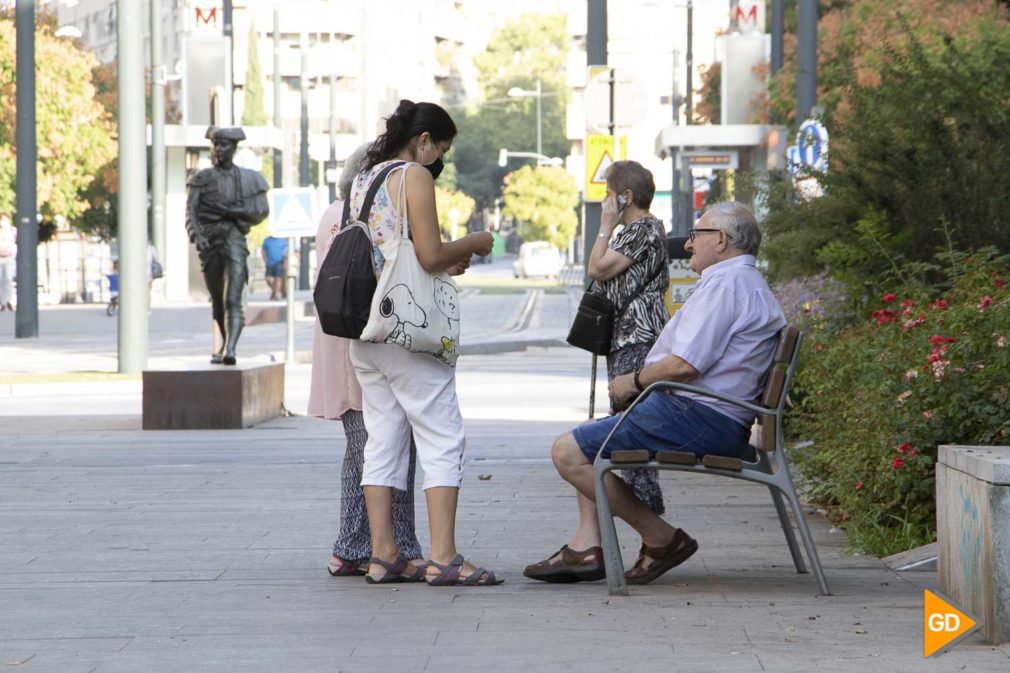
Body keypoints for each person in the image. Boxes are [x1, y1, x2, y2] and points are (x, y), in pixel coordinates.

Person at [525, 201, 786, 585]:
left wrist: (633, 381)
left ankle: (660, 537)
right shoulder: (741, 281)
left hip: (700, 416)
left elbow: (685, 364)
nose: (688, 245)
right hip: (703, 412)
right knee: (588, 439)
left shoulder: (728, 285)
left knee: (568, 452)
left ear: (721, 239)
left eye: (696, 235)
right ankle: (588, 545)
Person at [350, 100, 499, 585]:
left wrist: (440, 257)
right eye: (441, 150)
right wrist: (474, 242)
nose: (439, 162)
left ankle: (383, 554)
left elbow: (395, 250)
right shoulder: (413, 175)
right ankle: (444, 557)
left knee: (383, 439)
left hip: (368, 328)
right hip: (409, 333)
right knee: (442, 435)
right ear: (424, 140)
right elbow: (431, 255)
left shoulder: (364, 179)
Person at [525, 161, 670, 583]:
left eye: (609, 195)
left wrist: (604, 226)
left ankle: (642, 537)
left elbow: (597, 268)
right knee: (608, 440)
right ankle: (590, 542)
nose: (605, 202)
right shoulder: (639, 232)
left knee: (623, 442)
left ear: (623, 197)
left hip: (637, 343)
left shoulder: (643, 229)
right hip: (625, 341)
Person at [309, 142, 423, 576]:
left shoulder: (333, 215)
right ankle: (385, 546)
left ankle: (355, 545)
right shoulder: (370, 216)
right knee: (384, 450)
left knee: (364, 449)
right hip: (366, 346)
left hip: (340, 344)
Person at [185, 126, 270, 365]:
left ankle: (230, 348)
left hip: (234, 240)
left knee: (233, 297)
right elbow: (190, 211)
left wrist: (236, 212)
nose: (220, 149)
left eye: (225, 145)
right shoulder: (202, 179)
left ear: (234, 149)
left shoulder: (248, 179)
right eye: (216, 144)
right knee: (218, 300)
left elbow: (261, 209)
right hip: (210, 243)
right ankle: (225, 343)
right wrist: (197, 236)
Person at [261, 236, 287, 300]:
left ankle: (276, 294)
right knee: (268, 279)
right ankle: (276, 291)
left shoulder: (283, 240)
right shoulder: (267, 240)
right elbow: (263, 250)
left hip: (280, 262)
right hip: (269, 263)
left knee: (278, 279)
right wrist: (265, 259)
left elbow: (287, 251)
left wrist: (286, 261)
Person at [0, 214, 15, 311]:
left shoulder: (12, 231)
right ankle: (3, 302)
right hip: (0, 258)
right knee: (0, 280)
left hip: (9, 258)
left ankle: (8, 301)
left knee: (8, 280)